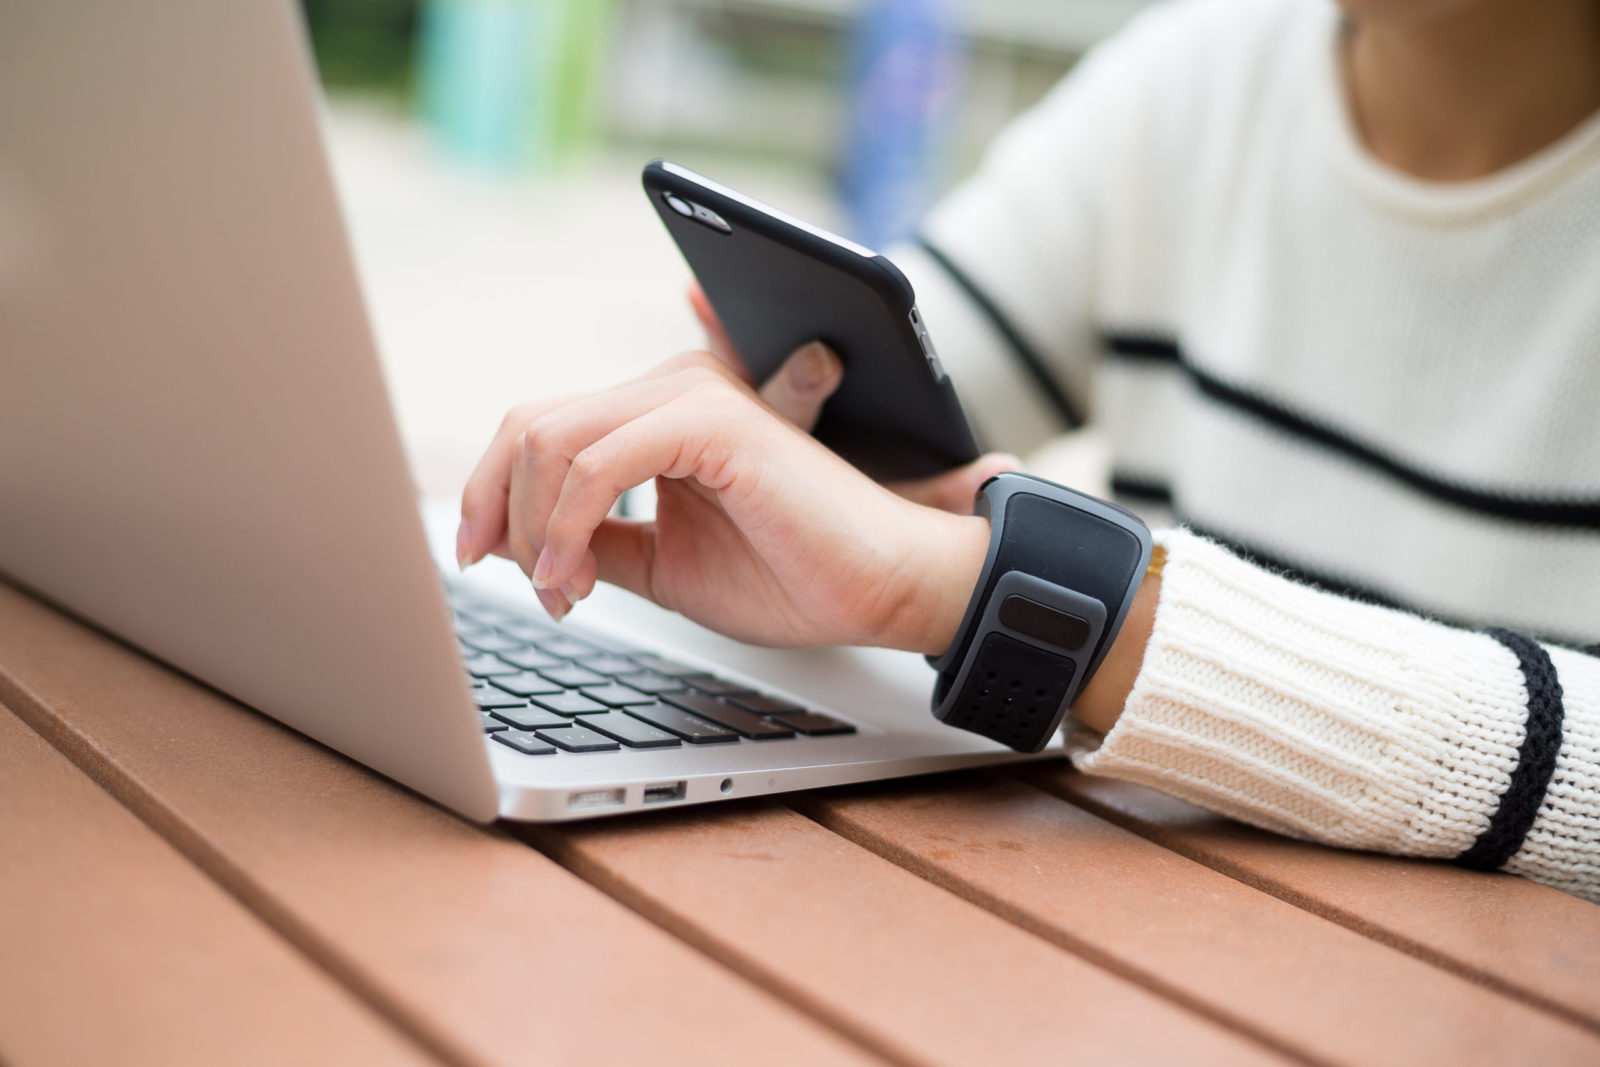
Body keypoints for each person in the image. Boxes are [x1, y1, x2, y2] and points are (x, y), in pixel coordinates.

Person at [456, 0, 1600, 902]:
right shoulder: (1197, 81)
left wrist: (988, 595)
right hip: (1155, 928)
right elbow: (876, 407)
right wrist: (765, 420)